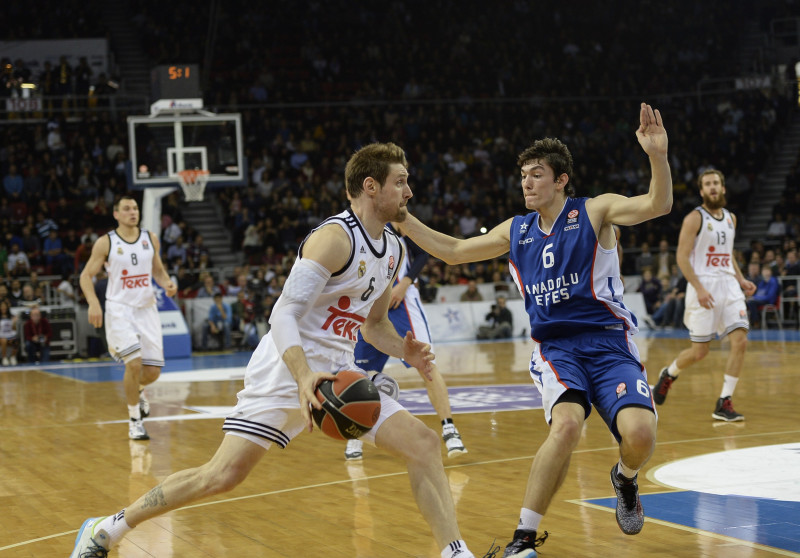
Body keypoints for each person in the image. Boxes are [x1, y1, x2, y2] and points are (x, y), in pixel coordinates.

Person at [70, 143, 477, 558]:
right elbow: (282, 315)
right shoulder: (334, 239)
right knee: (221, 475)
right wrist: (303, 378)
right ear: (371, 186)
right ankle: (108, 528)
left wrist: (404, 350)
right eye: (401, 182)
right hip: (286, 370)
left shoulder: (393, 248)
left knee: (423, 444)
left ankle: (455, 552)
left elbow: (373, 325)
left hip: (339, 375)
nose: (410, 192)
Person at [402, 103, 671, 556]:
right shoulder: (516, 229)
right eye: (523, 174)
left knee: (640, 435)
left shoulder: (595, 211)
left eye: (537, 174)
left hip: (609, 343)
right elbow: (452, 250)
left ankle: (625, 479)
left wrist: (657, 156)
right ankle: (523, 538)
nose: (526, 182)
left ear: (561, 179)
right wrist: (402, 219)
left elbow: (657, 204)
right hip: (556, 348)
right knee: (566, 426)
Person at [345, 223, 468, 462]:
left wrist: (406, 282)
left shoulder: (396, 222)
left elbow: (422, 252)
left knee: (425, 362)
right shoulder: (353, 229)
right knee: (360, 372)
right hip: (368, 304)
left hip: (400, 301)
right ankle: (355, 433)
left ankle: (449, 428)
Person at [654, 169, 756, 422]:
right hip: (704, 285)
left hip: (729, 286)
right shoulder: (694, 218)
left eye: (716, 183)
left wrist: (741, 279)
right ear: (702, 191)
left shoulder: (731, 218)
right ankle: (669, 373)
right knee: (700, 352)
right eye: (707, 184)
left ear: (723, 188)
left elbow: (728, 253)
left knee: (740, 340)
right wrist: (699, 288)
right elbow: (681, 256)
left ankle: (725, 401)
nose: (712, 187)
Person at [79, 195, 177, 441]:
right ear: (116, 214)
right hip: (120, 309)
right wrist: (93, 303)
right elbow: (85, 276)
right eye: (126, 209)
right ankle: (134, 421)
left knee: (152, 371)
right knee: (134, 363)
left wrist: (167, 282)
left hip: (147, 308)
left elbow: (157, 269)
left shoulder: (150, 238)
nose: (132, 212)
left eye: (134, 208)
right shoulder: (106, 243)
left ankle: (138, 389)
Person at [0, 299, 19, 365]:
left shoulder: (11, 316)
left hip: (9, 335)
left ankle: (12, 357)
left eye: (4, 306)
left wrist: (13, 323)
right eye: (1, 306)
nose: (3, 308)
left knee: (15, 341)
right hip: (1, 336)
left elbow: (14, 329)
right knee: (4, 340)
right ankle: (4, 358)